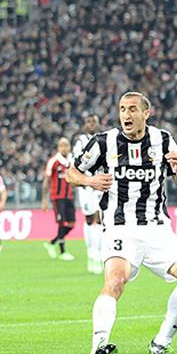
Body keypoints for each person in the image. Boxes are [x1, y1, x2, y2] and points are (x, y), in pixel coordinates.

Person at [66, 91, 177, 354]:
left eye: (132, 109)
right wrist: (91, 181)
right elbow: (71, 173)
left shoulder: (163, 140)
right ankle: (99, 346)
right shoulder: (103, 142)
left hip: (157, 228)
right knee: (116, 281)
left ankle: (161, 342)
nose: (126, 115)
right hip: (120, 227)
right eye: (122, 109)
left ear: (146, 113)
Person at [74, 114, 104, 274]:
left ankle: (98, 256)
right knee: (89, 219)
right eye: (88, 122)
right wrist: (85, 182)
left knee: (99, 219)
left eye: (94, 122)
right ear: (85, 125)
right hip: (86, 186)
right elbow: (76, 165)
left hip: (99, 185)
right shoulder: (80, 142)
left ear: (98, 124)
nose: (91, 124)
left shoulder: (103, 139)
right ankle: (90, 254)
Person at [42, 137, 76, 261]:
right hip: (57, 197)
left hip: (69, 196)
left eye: (66, 145)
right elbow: (47, 180)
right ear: (58, 148)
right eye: (61, 145)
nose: (64, 148)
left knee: (72, 224)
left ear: (70, 147)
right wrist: (44, 200)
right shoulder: (54, 161)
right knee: (61, 223)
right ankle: (62, 252)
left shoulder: (73, 161)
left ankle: (52, 243)